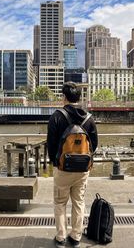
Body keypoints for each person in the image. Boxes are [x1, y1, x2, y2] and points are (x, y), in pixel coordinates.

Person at [47, 82, 98, 248]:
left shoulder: (56, 116)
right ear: (79, 97)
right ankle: (76, 237)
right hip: (83, 168)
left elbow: (51, 144)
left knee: (60, 202)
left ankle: (61, 237)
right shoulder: (89, 119)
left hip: (62, 168)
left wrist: (55, 162)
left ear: (64, 97)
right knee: (79, 202)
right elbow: (94, 145)